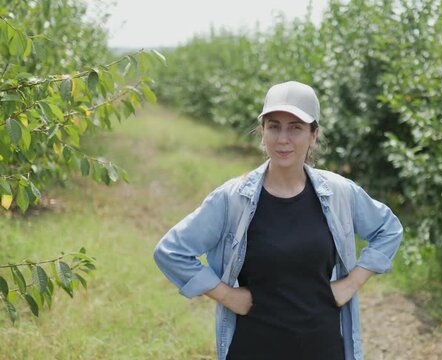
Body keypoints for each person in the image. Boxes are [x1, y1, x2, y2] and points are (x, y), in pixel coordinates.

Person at [153, 80, 403, 360]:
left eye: (295, 128)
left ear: (314, 135)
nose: (283, 139)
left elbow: (388, 229)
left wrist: (351, 283)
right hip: (253, 348)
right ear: (262, 133)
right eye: (274, 126)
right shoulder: (233, 198)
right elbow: (171, 251)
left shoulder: (339, 193)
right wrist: (227, 295)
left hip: (323, 348)